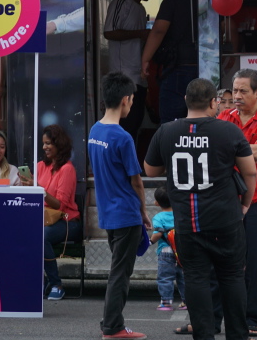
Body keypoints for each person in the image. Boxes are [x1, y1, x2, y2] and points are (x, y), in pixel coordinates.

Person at [145, 78, 257, 340]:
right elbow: (250, 172)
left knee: (195, 278)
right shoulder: (229, 131)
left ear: (185, 100)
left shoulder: (166, 131)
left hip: (187, 220)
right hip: (225, 218)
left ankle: (204, 335)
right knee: (232, 277)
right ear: (213, 103)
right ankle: (237, 335)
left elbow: (150, 169)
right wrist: (245, 204)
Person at [217, 68, 257, 338]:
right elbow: (241, 149)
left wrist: (228, 148)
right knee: (222, 260)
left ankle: (253, 319)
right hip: (227, 198)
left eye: (244, 91)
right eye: (235, 90)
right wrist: (242, 147)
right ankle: (214, 319)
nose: (237, 96)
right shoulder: (225, 116)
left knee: (254, 263)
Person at [88, 72, 153, 340]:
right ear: (125, 99)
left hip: (108, 214)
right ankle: (113, 327)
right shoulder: (122, 137)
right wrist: (143, 211)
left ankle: (109, 322)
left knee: (117, 270)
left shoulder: (95, 131)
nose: (132, 104)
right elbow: (136, 181)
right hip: (126, 214)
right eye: (132, 99)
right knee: (120, 274)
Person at [104, 0, 160, 141]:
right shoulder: (121, 3)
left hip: (139, 76)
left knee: (135, 125)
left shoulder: (141, 9)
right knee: (125, 126)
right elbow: (109, 32)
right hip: (123, 76)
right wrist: (140, 33)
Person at [141, 0, 198, 123]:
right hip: (205, 67)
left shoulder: (171, 1)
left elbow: (159, 31)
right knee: (201, 119)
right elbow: (230, 29)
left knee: (171, 122)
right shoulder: (208, 1)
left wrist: (145, 60)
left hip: (177, 68)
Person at [37, 124, 82, 301]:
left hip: (68, 222)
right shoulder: (41, 166)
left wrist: (40, 190)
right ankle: (40, 281)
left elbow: (60, 206)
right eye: (43, 143)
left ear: (59, 144)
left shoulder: (67, 169)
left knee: (42, 237)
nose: (44, 147)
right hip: (44, 219)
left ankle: (56, 284)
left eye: (48, 143)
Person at [151, 185, 186, 311]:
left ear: (157, 202)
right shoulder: (180, 213)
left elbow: (158, 233)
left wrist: (150, 241)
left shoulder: (158, 217)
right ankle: (187, 301)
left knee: (165, 277)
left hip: (165, 250)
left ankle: (166, 303)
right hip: (181, 249)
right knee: (183, 277)